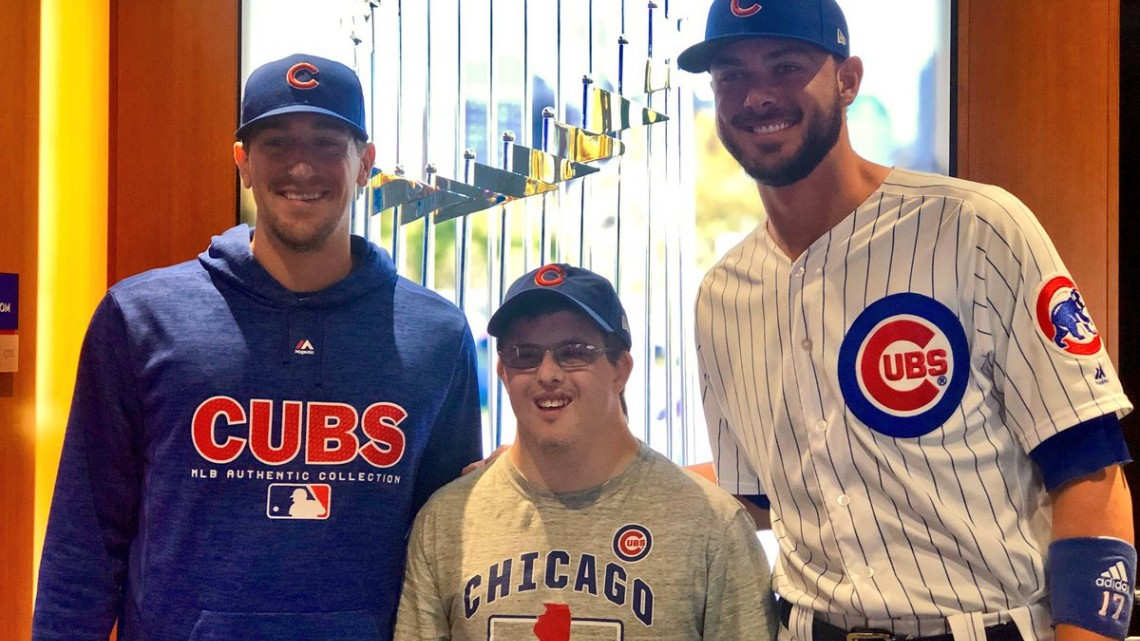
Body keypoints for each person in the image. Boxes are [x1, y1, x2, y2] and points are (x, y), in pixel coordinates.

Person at [678, 3, 1135, 641]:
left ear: (848, 79)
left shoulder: (977, 228)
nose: (756, 95)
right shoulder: (721, 295)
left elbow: (1089, 467)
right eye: (730, 75)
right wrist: (577, 470)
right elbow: (756, 494)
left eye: (786, 66)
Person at [32, 53, 483, 640]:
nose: (301, 165)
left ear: (365, 164)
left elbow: (448, 546)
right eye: (275, 143)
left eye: (327, 143)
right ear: (242, 162)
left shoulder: (437, 335)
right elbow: (85, 541)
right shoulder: (140, 317)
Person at [393, 263, 777, 640]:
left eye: (573, 352)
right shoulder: (446, 523)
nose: (547, 374)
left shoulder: (711, 526)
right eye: (524, 354)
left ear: (620, 369)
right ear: (503, 372)